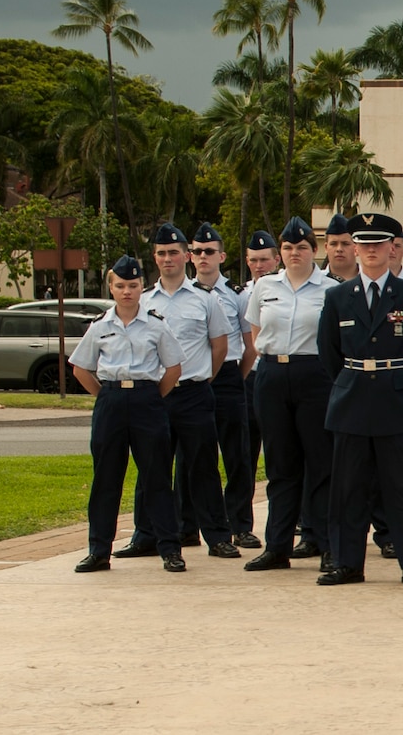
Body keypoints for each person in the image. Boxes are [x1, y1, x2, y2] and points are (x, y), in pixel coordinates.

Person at [316, 213, 403, 587]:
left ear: (392, 249)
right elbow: (328, 352)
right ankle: (347, 562)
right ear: (354, 249)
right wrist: (354, 381)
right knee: (349, 488)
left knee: (401, 488)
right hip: (352, 400)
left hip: (396, 400)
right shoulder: (337, 297)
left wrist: (398, 384)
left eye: (379, 244)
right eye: (363, 244)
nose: (371, 250)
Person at [125, 223, 238, 562]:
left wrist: (203, 379)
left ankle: (217, 536)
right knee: (152, 468)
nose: (167, 258)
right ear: (154, 258)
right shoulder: (143, 300)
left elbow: (219, 346)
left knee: (203, 466)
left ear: (186, 256)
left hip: (193, 393)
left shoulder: (205, 300)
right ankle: (146, 534)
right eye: (161, 253)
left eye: (174, 252)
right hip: (155, 396)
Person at [70, 256, 184, 574]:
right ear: (111, 287)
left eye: (132, 286)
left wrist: (150, 397)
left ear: (140, 288)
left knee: (157, 479)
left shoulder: (155, 324)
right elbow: (80, 368)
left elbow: (173, 368)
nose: (126, 292)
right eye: (120, 286)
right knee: (106, 479)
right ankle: (98, 551)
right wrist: (107, 397)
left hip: (148, 400)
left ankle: (170, 550)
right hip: (111, 400)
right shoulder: (100, 326)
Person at [242, 217, 342, 572]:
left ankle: (329, 545)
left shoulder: (330, 289)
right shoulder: (265, 286)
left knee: (321, 464)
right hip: (271, 374)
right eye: (287, 248)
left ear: (313, 251)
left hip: (314, 375)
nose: (294, 253)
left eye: (301, 247)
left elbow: (334, 341)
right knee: (281, 466)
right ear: (279, 252)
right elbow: (255, 333)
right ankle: (278, 546)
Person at [189, 222, 263, 550]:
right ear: (190, 256)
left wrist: (237, 377)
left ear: (222, 256)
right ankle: (188, 525)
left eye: (209, 251)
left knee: (237, 456)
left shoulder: (238, 296)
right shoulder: (185, 295)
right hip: (193, 381)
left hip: (230, 380)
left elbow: (251, 346)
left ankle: (240, 525)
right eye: (197, 251)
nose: (203, 257)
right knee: (193, 456)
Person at [241, 229, 279, 525]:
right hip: (248, 379)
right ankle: (242, 523)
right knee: (244, 455)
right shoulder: (239, 294)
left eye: (264, 259)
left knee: (282, 453)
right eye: (254, 260)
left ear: (275, 260)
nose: (259, 265)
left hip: (277, 376)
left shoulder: (279, 289)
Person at [321, 214, 359, 283]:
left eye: (345, 244)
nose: (339, 249)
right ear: (326, 248)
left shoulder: (370, 280)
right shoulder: (314, 283)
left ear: (356, 247)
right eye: (333, 244)